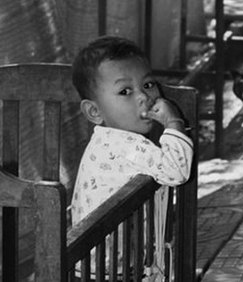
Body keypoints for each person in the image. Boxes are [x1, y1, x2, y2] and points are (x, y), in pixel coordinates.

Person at [70, 36, 194, 280]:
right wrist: (174, 122)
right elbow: (177, 171)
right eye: (125, 91)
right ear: (94, 111)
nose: (143, 97)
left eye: (148, 85)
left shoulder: (105, 139)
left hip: (89, 263)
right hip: (113, 269)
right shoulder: (126, 145)